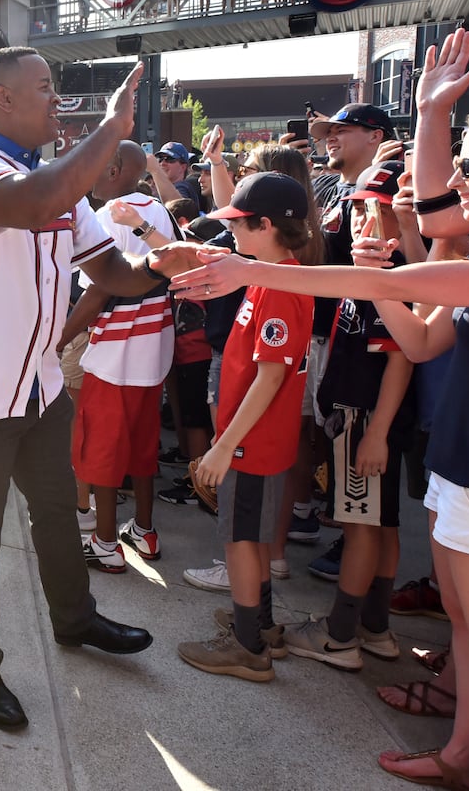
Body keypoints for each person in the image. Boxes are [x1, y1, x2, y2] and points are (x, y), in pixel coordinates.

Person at [173, 35, 469, 790]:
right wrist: (429, 114)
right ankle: (463, 754)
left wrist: (253, 267)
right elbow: (416, 333)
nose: (457, 184)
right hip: (464, 477)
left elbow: (433, 234)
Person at [0, 47, 198, 731]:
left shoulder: (51, 180)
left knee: (54, 514)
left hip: (38, 385)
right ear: (1, 99)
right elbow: (36, 203)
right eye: (44, 89)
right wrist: (110, 127)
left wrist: (167, 262)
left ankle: (75, 622)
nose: (57, 102)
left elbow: (115, 275)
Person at [175, 172, 315, 682]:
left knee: (240, 539)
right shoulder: (270, 271)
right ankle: (260, 622)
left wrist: (223, 446)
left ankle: (247, 645)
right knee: (250, 535)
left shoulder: (280, 284)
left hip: (251, 443)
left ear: (267, 224)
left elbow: (271, 376)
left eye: (239, 223)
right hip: (255, 439)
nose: (232, 230)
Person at [282, 160, 414, 672]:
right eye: (358, 209)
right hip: (358, 416)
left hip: (366, 419)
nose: (362, 222)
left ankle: (340, 636)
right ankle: (375, 627)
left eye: (376, 211)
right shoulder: (367, 272)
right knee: (378, 525)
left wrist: (377, 432)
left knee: (363, 527)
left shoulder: (391, 279)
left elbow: (400, 359)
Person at [62, 141, 175, 571]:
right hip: (154, 349)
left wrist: (60, 337)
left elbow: (100, 287)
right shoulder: (157, 209)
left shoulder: (109, 214)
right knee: (144, 447)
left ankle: (105, 541)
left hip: (116, 352)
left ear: (111, 169)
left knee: (101, 450)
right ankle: (143, 531)